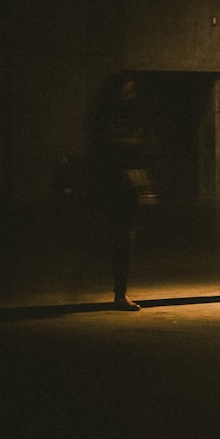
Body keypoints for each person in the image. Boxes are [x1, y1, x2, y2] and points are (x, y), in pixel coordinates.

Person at [88, 72, 156, 311]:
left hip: (124, 179)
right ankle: (119, 293)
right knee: (121, 236)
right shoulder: (107, 115)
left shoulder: (128, 114)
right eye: (126, 89)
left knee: (125, 236)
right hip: (114, 179)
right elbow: (106, 144)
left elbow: (141, 144)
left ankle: (120, 292)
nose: (130, 93)